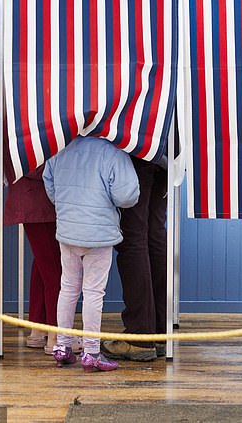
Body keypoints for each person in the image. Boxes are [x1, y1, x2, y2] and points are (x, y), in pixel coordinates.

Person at [43, 136, 139, 372]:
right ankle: (92, 352)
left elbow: (50, 185)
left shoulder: (61, 148)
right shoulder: (113, 152)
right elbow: (127, 196)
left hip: (68, 230)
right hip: (99, 233)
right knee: (94, 292)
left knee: (67, 288)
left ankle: (63, 347)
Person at [101, 154, 168, 362]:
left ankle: (139, 336)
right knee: (154, 235)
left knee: (132, 239)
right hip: (166, 155)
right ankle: (157, 333)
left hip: (139, 151)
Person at [4, 165, 62, 354]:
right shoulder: (23, 135)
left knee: (43, 265)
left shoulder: (10, 134)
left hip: (32, 200)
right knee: (54, 270)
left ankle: (37, 328)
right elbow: (34, 166)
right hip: (40, 202)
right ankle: (56, 335)